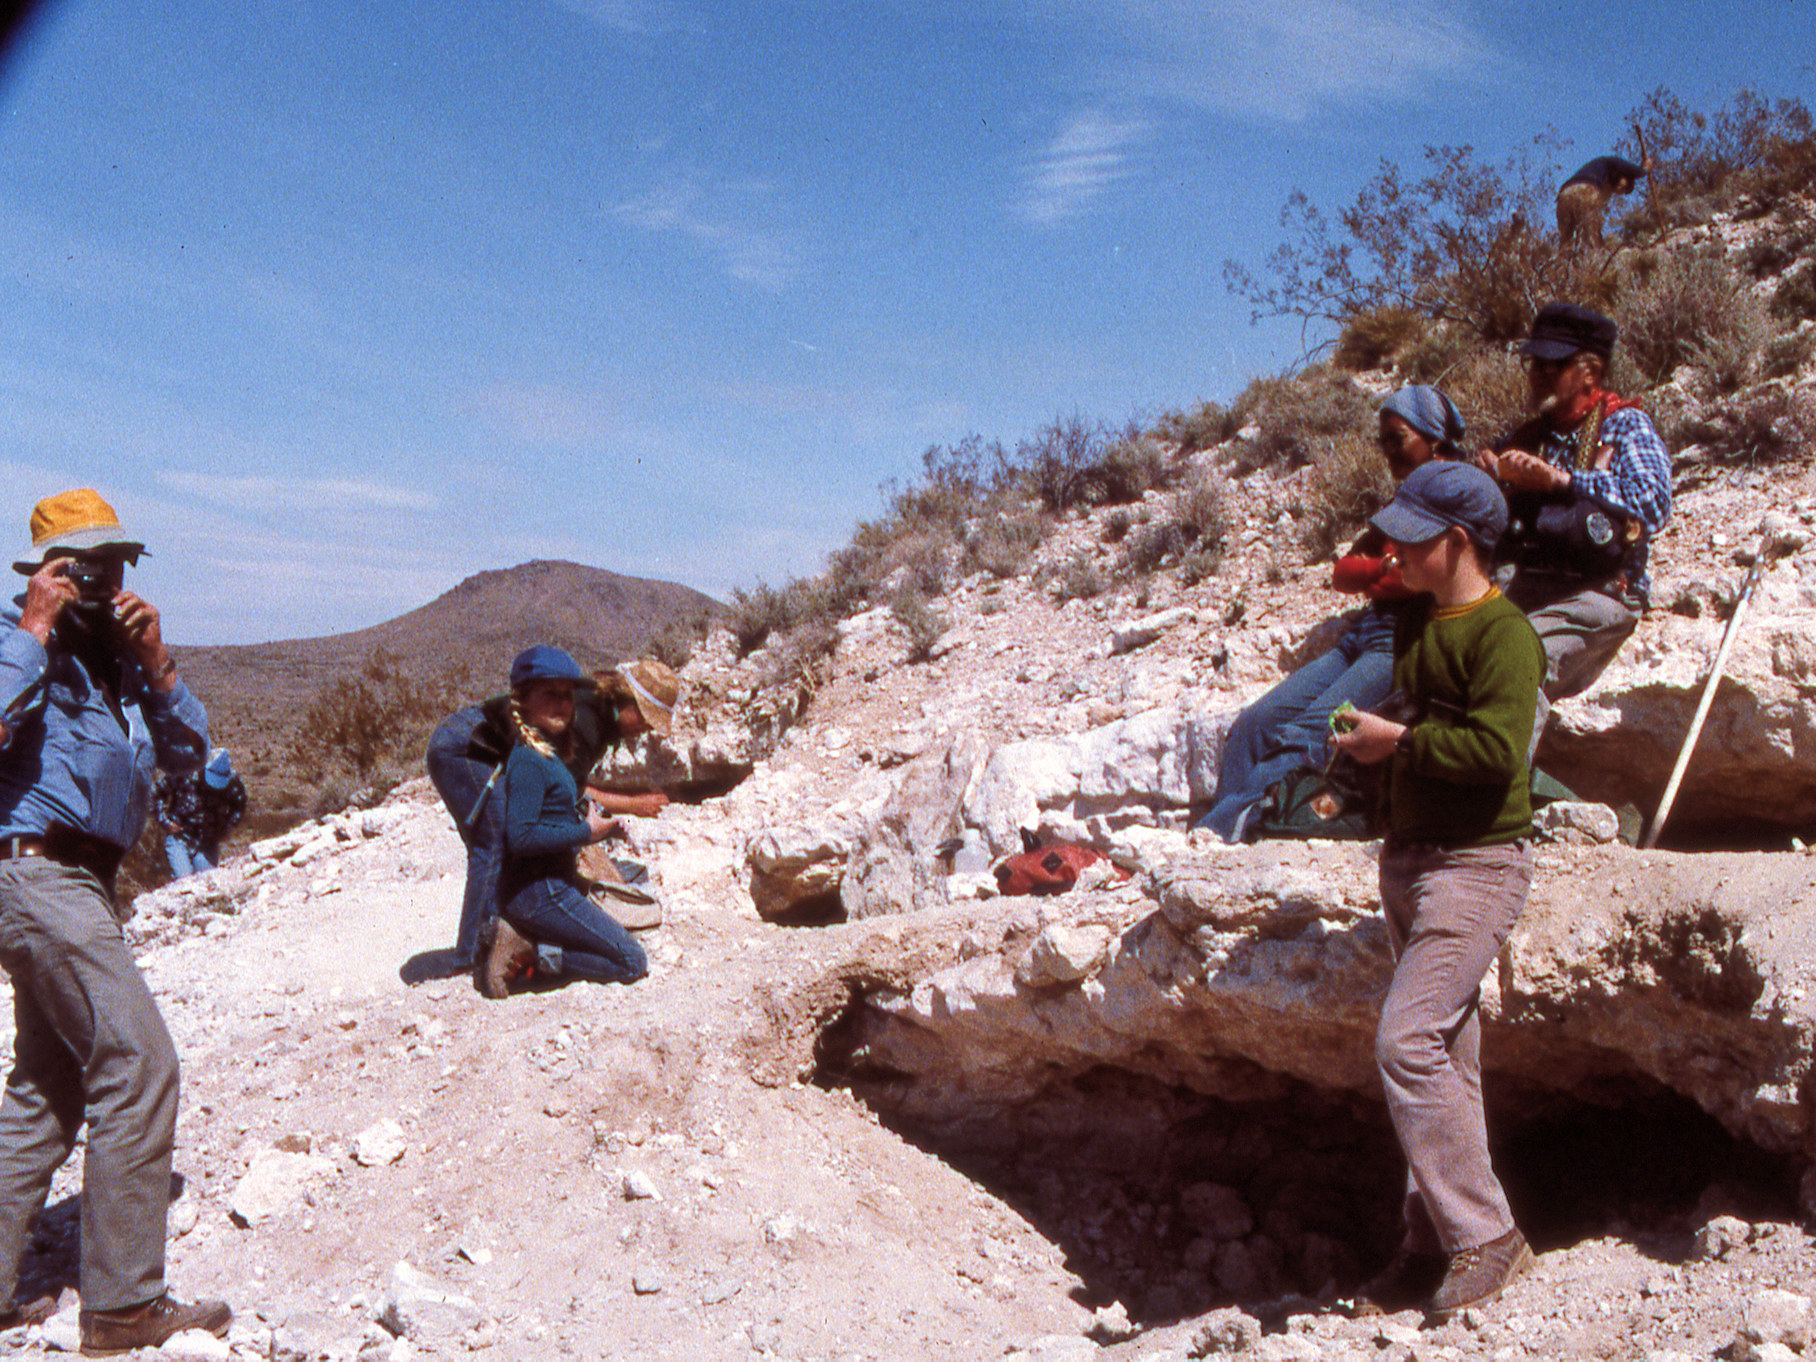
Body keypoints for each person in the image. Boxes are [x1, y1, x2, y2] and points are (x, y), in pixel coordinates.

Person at [0, 489, 231, 1353]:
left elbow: (190, 763)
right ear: (47, 572)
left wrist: (160, 665)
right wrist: (33, 625)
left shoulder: (119, 668)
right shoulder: (15, 639)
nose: (103, 579)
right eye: (83, 566)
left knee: (45, 1093)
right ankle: (124, 1305)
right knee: (139, 1063)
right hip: (33, 871)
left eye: (116, 564)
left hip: (78, 885)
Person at [1330, 462, 1544, 1322]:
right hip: (1410, 860)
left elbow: (1498, 752)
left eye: (1413, 537)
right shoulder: (1420, 617)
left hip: (1476, 862)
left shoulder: (1507, 635)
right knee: (1447, 1059)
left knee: (1406, 1043)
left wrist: (1398, 743)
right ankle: (1429, 1245)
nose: (1393, 548)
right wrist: (1368, 746)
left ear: (1458, 542)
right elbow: (1353, 569)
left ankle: (1488, 1237)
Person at [1200, 386, 1467, 841]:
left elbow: (1411, 580)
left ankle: (1218, 833)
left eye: (1396, 438)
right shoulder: (1400, 503)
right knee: (1253, 726)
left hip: (1406, 639)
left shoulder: (1454, 493)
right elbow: (1343, 573)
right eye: (1382, 440)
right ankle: (1224, 828)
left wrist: (1380, 574)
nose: (1387, 451)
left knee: (1311, 728)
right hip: (1364, 635)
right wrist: (1381, 570)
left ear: (1434, 438)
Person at [425, 655, 676, 978]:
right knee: (492, 840)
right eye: (644, 720)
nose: (644, 730)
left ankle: (501, 934)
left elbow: (565, 786)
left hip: (475, 744)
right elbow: (569, 789)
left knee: (504, 837)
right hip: (463, 747)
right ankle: (474, 956)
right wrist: (628, 807)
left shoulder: (597, 714)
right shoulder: (585, 719)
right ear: (628, 703)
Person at [1486, 302, 1672, 702]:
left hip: (1600, 591)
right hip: (1530, 582)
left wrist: (1563, 480)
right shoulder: (1529, 435)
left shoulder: (1624, 425)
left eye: (1553, 366)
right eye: (1534, 364)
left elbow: (1653, 502)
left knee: (1513, 665)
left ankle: (1503, 763)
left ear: (1591, 373)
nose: (1539, 375)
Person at [483, 646, 651, 998]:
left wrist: (588, 818)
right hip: (541, 893)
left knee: (620, 934)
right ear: (524, 700)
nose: (562, 704)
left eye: (567, 696)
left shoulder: (551, 753)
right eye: (550, 695)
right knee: (631, 961)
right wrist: (587, 832)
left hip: (551, 886)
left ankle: (532, 940)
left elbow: (552, 813)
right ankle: (533, 949)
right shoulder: (530, 760)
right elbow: (522, 837)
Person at [153, 749, 247, 878]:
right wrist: (165, 822)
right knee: (183, 881)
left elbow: (240, 804)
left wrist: (228, 826)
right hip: (180, 836)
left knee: (205, 883)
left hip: (208, 842)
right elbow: (157, 792)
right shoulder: (185, 772)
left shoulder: (233, 783)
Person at [1555, 154, 1648, 251]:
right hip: (1585, 190)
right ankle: (1595, 261)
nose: (1620, 192)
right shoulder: (1607, 163)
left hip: (1564, 195)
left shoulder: (1599, 175)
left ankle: (1565, 262)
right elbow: (1629, 168)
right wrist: (1644, 170)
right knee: (1592, 237)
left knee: (1566, 240)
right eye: (1624, 188)